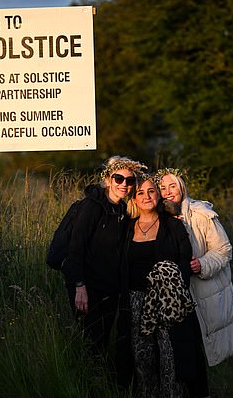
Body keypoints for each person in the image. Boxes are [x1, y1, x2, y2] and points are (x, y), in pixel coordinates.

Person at [120, 174, 205, 397]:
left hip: (167, 299)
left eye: (151, 191)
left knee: (170, 355)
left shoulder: (173, 225)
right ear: (134, 199)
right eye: (140, 193)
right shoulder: (127, 228)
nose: (146, 196)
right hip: (136, 298)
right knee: (142, 355)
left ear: (158, 196)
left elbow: (186, 262)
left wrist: (165, 276)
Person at [62, 155, 147, 370]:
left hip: (110, 287)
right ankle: (88, 382)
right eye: (119, 179)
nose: (124, 185)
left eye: (129, 181)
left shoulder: (122, 210)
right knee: (90, 339)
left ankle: (99, 380)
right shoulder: (92, 206)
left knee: (103, 340)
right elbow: (76, 248)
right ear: (108, 179)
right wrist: (79, 286)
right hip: (88, 286)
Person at [158, 169, 233, 373]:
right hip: (175, 293)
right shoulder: (159, 216)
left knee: (201, 344)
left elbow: (223, 250)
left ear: (182, 188)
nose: (168, 192)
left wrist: (203, 264)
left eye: (172, 186)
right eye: (162, 188)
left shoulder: (201, 214)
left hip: (202, 289)